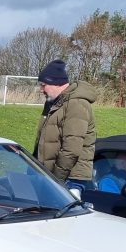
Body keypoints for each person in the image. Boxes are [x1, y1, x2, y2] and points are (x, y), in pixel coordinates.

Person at [32, 59, 96, 191]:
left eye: (43, 85)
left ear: (56, 83)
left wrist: (56, 179)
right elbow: (43, 141)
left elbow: (71, 149)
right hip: (50, 175)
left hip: (69, 179)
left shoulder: (76, 104)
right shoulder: (53, 104)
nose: (41, 90)